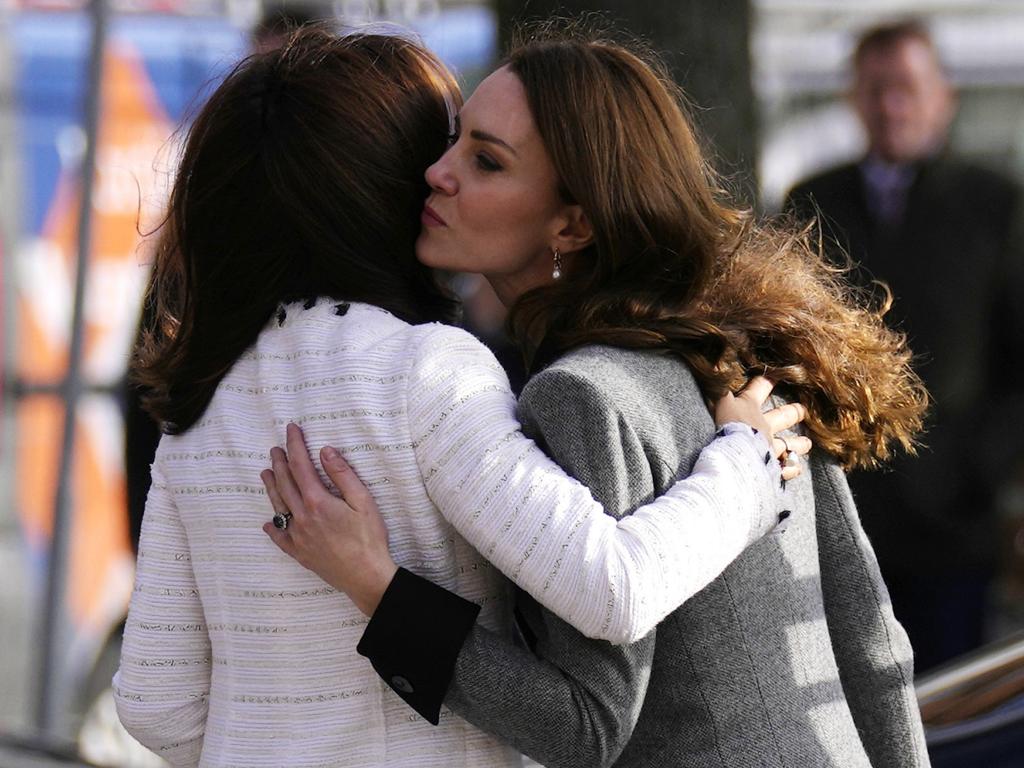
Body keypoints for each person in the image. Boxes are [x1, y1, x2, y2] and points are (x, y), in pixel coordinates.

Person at [111, 28, 808, 768]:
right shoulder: (424, 373)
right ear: (388, 185)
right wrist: (747, 466)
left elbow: (154, 703)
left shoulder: (200, 410)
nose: (442, 176)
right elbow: (614, 589)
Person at [262, 25, 933, 768]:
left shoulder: (581, 396)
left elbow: (583, 726)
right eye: (454, 143)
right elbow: (875, 648)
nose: (438, 173)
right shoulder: (738, 353)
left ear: (571, 224)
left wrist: (378, 589)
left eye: (485, 161)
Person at [786, 19, 1024, 672]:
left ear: (943, 96)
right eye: (876, 89)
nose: (892, 106)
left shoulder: (996, 205)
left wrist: (979, 470)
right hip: (841, 508)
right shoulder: (812, 201)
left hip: (953, 525)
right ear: (853, 99)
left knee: (947, 701)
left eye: (907, 88)